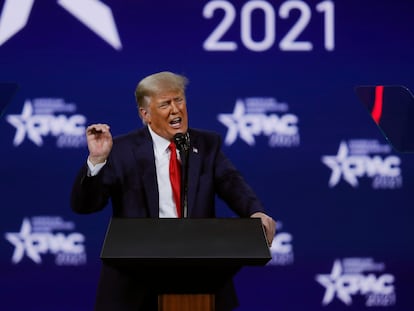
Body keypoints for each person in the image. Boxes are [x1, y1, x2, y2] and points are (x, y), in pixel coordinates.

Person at [71, 71, 276, 311]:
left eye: (179, 100)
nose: (176, 109)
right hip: (133, 288)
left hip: (201, 280)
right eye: (165, 104)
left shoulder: (206, 145)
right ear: (145, 114)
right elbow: (85, 205)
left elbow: (231, 182)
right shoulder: (122, 150)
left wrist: (255, 212)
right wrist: (96, 160)